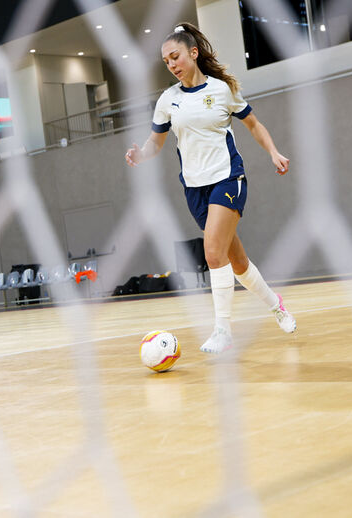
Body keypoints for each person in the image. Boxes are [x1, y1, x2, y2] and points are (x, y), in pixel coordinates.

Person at [124, 23, 295, 354]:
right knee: (238, 263)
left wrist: (273, 152)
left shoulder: (221, 90)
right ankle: (277, 306)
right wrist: (141, 154)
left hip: (227, 178)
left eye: (175, 57)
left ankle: (222, 331)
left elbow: (254, 125)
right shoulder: (168, 100)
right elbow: (156, 142)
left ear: (193, 53)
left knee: (213, 253)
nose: (171, 65)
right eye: (166, 61)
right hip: (194, 188)